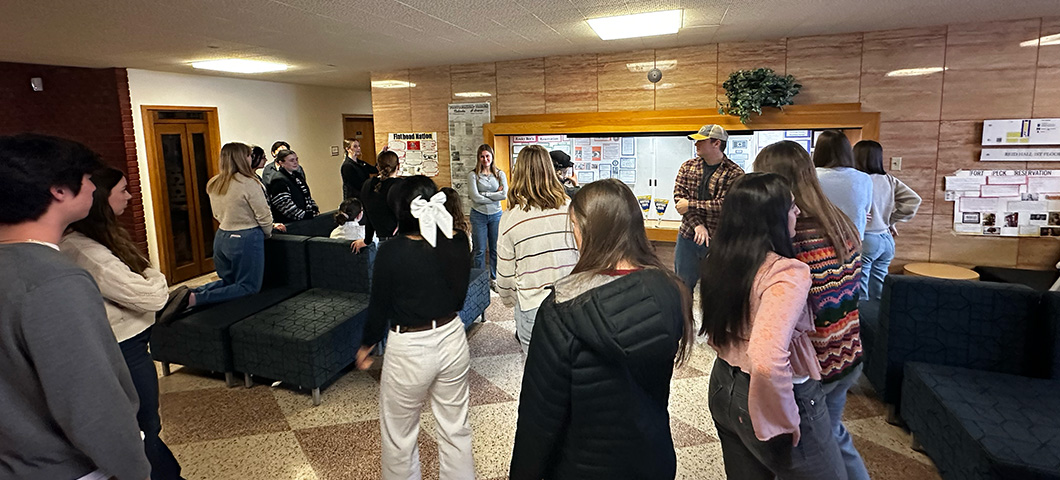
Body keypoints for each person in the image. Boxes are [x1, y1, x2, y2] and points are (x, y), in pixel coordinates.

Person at [509, 178, 695, 480]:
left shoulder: (561, 306)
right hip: (652, 456)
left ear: (585, 229)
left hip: (582, 465)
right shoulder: (672, 290)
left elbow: (540, 415)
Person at [0, 134, 150, 480]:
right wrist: (135, 469)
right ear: (58, 190)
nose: (93, 189)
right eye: (87, 180)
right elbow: (90, 403)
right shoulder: (56, 281)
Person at [700, 172, 846, 480]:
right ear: (771, 217)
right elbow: (766, 359)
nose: (799, 212)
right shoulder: (787, 273)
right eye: (791, 206)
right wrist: (784, 419)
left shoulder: (720, 257)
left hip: (723, 383)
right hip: (773, 393)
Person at [60, 167, 184, 480]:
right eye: (123, 190)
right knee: (144, 425)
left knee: (147, 423)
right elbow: (151, 296)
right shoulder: (85, 251)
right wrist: (156, 277)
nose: (130, 196)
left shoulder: (102, 238)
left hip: (133, 343)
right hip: (124, 348)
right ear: (103, 197)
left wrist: (147, 278)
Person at [755, 141, 870, 480]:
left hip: (813, 367)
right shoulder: (839, 222)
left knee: (805, 456)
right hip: (847, 352)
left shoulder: (789, 237)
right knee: (834, 435)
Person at [355, 176, 474, 480]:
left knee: (400, 434)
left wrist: (367, 344)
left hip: (409, 346)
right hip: (453, 336)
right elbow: (459, 297)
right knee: (455, 428)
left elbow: (378, 304)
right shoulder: (457, 241)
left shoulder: (391, 252)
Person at [497, 145, 580, 354]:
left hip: (533, 306)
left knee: (537, 373)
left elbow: (504, 278)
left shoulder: (510, 219)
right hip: (573, 303)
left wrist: (510, 301)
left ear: (518, 173)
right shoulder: (570, 208)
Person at [191, 142, 282, 308]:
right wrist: (268, 232)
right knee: (248, 286)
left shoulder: (214, 182)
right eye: (248, 155)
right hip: (246, 237)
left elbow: (216, 214)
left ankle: (192, 293)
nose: (250, 158)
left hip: (222, 236)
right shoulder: (248, 183)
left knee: (229, 281)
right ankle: (197, 299)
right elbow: (263, 214)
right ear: (242, 158)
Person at [673, 124, 744, 291]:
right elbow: (679, 200)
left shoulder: (735, 173)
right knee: (682, 287)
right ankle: (683, 317)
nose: (696, 144)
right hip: (688, 235)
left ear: (716, 143)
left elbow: (726, 204)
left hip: (719, 239)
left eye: (701, 141)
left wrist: (691, 204)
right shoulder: (688, 166)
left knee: (717, 290)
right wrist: (697, 224)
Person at [854, 140, 922, 300]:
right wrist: (891, 220)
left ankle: (863, 323)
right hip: (886, 240)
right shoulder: (890, 180)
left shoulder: (858, 180)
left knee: (861, 292)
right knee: (879, 292)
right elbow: (914, 200)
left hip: (867, 239)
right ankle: (879, 321)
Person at [813, 130, 872, 239]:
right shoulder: (864, 178)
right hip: (854, 237)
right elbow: (866, 210)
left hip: (820, 238)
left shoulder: (812, 176)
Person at [468, 144, 509, 288]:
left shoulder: (499, 174)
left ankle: (494, 278)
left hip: (495, 215)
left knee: (495, 248)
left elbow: (504, 195)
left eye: (487, 156)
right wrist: (494, 195)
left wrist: (485, 194)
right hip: (478, 215)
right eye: (482, 156)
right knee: (479, 249)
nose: (485, 159)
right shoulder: (473, 175)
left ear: (492, 157)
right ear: (478, 158)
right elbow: (475, 197)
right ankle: (479, 281)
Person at [357, 149, 404, 252]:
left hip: (381, 242)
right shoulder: (401, 185)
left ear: (378, 167)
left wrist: (367, 240)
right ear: (398, 166)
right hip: (401, 240)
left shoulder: (367, 185)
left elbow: (368, 215)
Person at [267, 149, 320, 223]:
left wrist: (314, 209)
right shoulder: (278, 180)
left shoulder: (297, 176)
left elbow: (306, 196)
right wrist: (304, 215)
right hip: (290, 223)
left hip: (304, 219)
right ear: (281, 163)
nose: (295, 162)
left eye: (296, 159)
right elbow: (285, 206)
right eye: (291, 160)